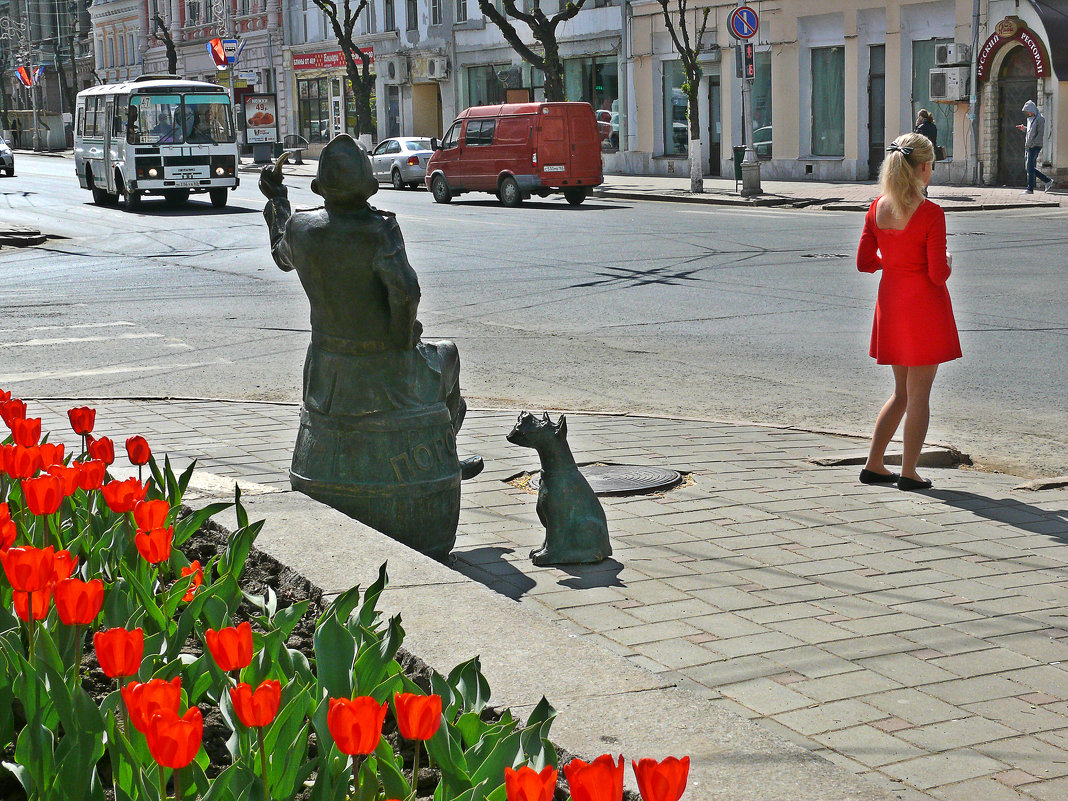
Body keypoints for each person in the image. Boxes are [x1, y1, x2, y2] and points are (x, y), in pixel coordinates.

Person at [855, 132, 961, 491]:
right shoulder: (930, 213)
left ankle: (874, 463)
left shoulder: (877, 207)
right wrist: (948, 261)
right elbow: (936, 274)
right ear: (925, 167)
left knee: (901, 392)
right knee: (919, 395)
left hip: (891, 303)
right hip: (923, 309)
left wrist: (892, 263)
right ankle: (909, 472)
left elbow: (864, 262)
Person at [1016, 100, 1053, 194]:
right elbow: (1030, 131)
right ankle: (1047, 180)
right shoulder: (1030, 119)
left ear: (1032, 109)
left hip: (1035, 146)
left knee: (1030, 167)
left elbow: (1039, 134)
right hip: (1028, 145)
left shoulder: (1040, 119)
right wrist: (1024, 128)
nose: (1027, 113)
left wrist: (1033, 144)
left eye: (1028, 111)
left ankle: (1030, 188)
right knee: (1029, 168)